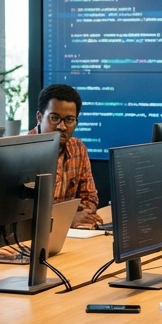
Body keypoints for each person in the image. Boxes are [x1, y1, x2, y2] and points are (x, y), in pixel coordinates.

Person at [29, 83, 103, 228]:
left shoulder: (78, 148)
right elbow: (19, 216)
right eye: (54, 118)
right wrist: (67, 219)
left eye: (69, 120)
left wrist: (82, 216)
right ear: (39, 117)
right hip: (31, 240)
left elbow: (90, 198)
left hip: (71, 235)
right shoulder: (21, 153)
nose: (62, 127)